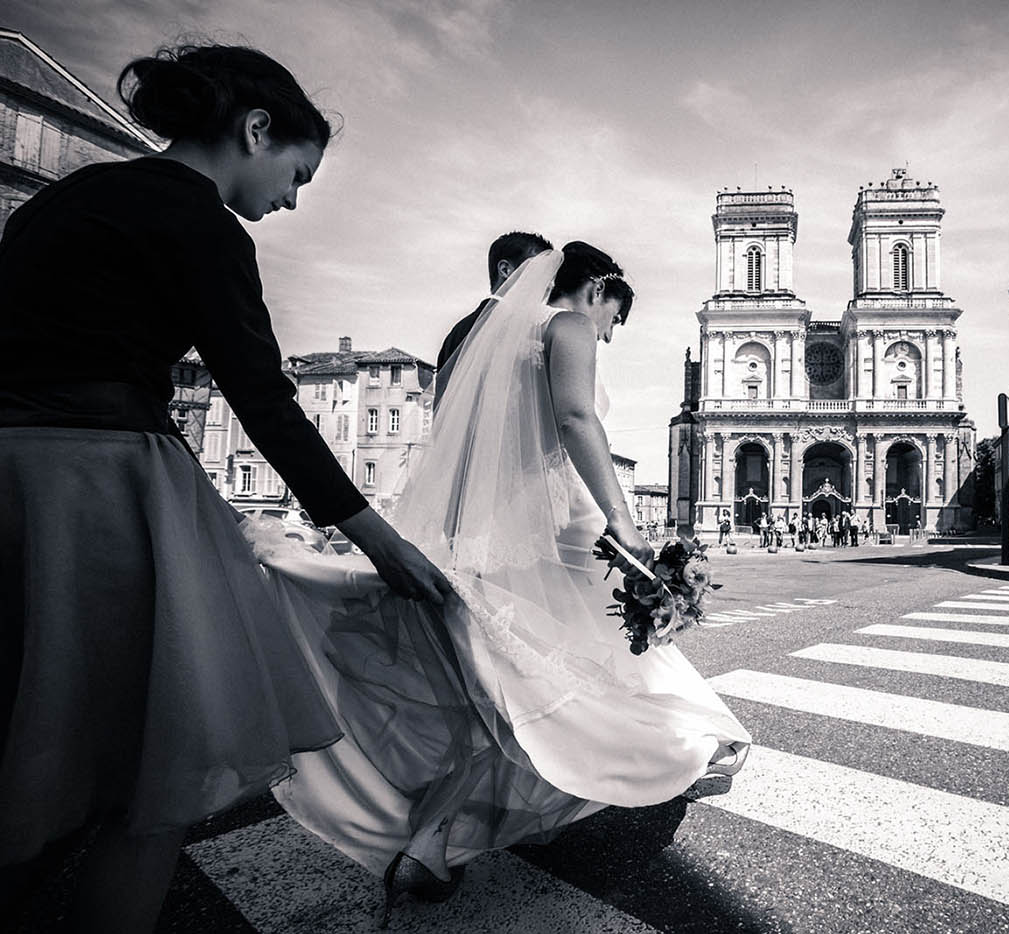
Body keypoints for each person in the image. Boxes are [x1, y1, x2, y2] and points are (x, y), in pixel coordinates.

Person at [0, 44, 453, 934]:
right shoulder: (206, 226)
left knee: (28, 741)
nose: (291, 198)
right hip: (104, 480)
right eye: (298, 174)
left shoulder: (53, 203)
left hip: (12, 469)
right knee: (152, 775)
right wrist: (382, 540)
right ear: (255, 130)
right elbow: (265, 401)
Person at [251, 245, 750, 926]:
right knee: (560, 686)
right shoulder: (566, 327)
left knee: (513, 684)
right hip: (554, 530)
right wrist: (626, 522)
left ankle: (448, 838)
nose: (608, 333)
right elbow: (578, 421)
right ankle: (634, 762)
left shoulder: (504, 341)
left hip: (500, 530)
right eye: (614, 317)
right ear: (598, 289)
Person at [435, 231, 553, 406]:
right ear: (505, 270)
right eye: (540, 273)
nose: (549, 284)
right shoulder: (520, 329)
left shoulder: (459, 330)